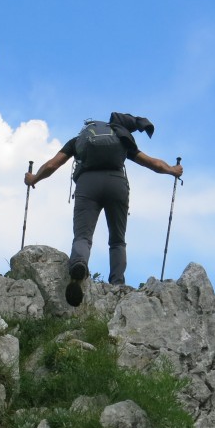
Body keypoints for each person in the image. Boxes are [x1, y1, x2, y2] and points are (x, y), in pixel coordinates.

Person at [24, 113, 183, 306]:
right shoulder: (121, 139)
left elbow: (52, 165)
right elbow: (153, 163)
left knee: (83, 236)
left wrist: (33, 179)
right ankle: (117, 285)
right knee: (117, 240)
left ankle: (79, 265)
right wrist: (172, 170)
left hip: (87, 184)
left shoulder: (77, 141)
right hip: (117, 184)